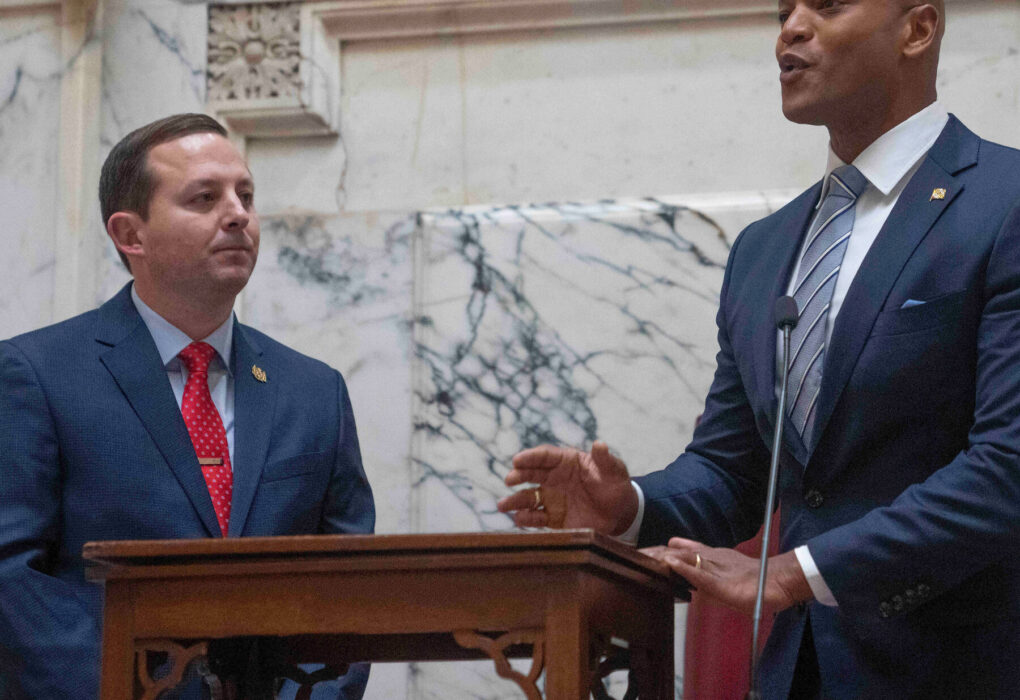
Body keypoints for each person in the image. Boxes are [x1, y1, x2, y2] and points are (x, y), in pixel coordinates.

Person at [499, 1, 1020, 697]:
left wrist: (793, 572)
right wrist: (629, 509)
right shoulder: (763, 249)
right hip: (795, 674)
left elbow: (1008, 465)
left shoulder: (1005, 202)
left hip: (967, 668)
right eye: (782, 12)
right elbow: (733, 469)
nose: (791, 29)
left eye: (826, 5)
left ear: (917, 29)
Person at [0, 114, 375, 699]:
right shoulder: (37, 375)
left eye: (246, 195)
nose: (238, 214)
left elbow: (351, 582)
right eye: (205, 198)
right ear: (131, 234)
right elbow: (13, 580)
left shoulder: (313, 390)